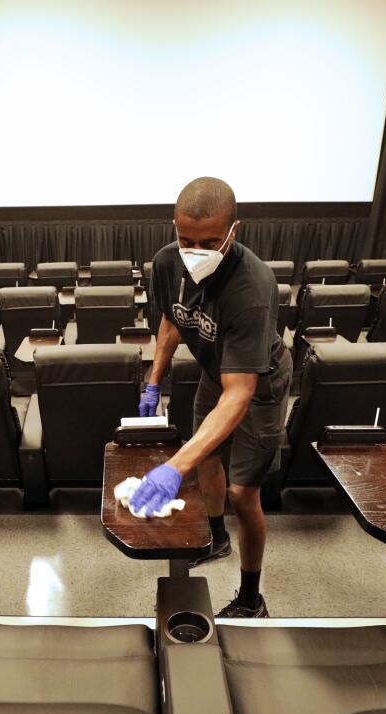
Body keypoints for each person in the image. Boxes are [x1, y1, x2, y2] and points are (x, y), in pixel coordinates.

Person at [129, 177, 290, 618]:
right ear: (174, 228)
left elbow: (240, 394)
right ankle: (215, 538)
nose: (195, 250)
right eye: (186, 239)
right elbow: (172, 320)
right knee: (208, 460)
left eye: (210, 241)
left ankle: (251, 597)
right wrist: (154, 379)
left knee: (243, 492)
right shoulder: (166, 262)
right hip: (214, 370)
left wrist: (172, 466)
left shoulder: (252, 288)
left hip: (258, 381)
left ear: (233, 231)